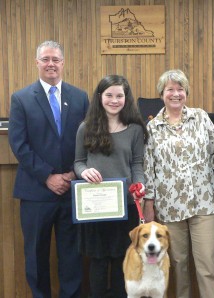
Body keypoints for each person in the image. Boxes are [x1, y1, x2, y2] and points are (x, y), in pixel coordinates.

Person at [8, 40, 89, 298]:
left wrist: (73, 173)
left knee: (72, 257)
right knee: (35, 256)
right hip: (36, 193)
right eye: (45, 59)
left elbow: (88, 140)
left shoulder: (80, 97)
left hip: (71, 190)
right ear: (37, 63)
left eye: (55, 59)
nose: (51, 64)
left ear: (63, 63)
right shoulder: (21, 99)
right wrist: (48, 176)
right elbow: (19, 145)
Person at [143, 69, 214, 298]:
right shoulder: (153, 127)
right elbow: (149, 168)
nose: (175, 94)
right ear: (161, 94)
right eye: (170, 89)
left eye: (180, 89)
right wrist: (149, 204)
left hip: (204, 203)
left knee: (208, 264)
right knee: (178, 265)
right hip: (169, 206)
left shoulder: (201, 117)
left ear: (186, 92)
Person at [74, 74, 148, 298]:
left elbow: (137, 163)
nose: (114, 100)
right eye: (109, 95)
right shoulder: (85, 127)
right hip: (94, 208)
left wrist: (140, 185)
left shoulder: (135, 129)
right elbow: (78, 162)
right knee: (97, 262)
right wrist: (84, 172)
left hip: (124, 207)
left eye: (119, 95)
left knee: (121, 261)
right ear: (100, 97)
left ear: (126, 98)